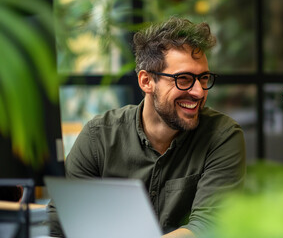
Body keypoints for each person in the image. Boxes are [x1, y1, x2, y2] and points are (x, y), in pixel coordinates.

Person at [48, 17, 246, 237]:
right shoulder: (99, 137)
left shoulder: (222, 136)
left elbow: (208, 226)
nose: (199, 91)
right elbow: (60, 223)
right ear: (146, 81)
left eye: (204, 78)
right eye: (184, 79)